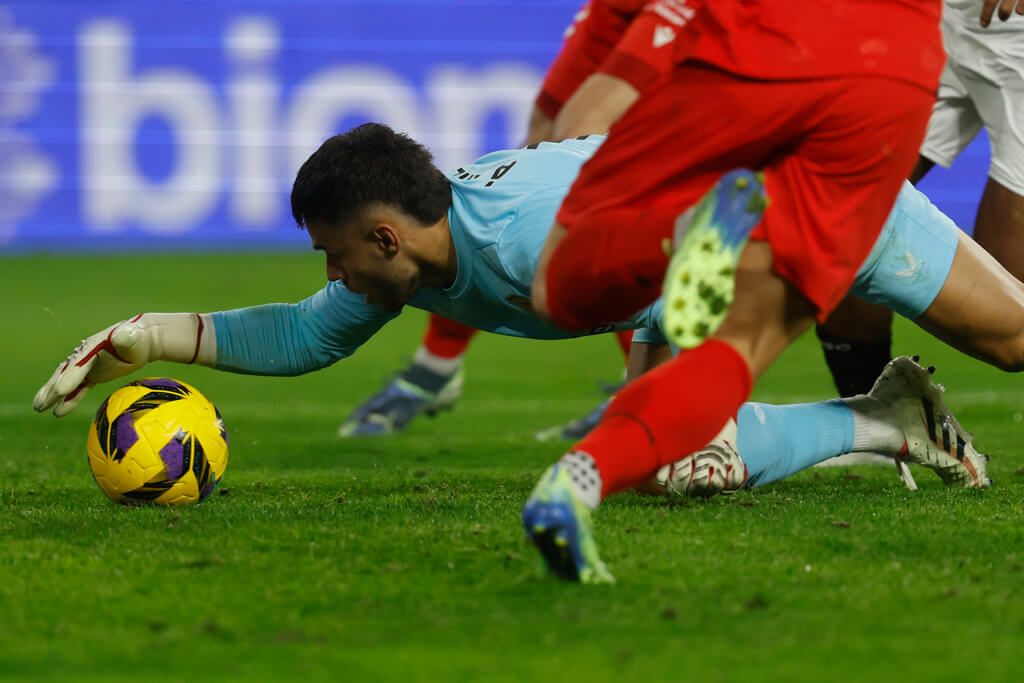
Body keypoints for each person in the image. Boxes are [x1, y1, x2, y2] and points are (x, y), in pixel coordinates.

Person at [33, 125, 998, 502]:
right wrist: (145, 337)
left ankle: (883, 420)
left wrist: (653, 402)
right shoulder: (417, 246)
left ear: (381, 238)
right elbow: (303, 334)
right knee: (668, 452)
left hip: (817, 202)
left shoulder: (531, 238)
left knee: (1015, 337)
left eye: (334, 254)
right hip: (738, 234)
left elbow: (691, 266)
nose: (332, 276)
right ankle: (892, 421)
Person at [524, 0, 1021, 583]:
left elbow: (576, 127)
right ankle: (578, 479)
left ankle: (686, 229)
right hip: (894, 63)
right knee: (744, 343)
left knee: (558, 291)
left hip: (763, 40)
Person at [340, 0, 697, 439]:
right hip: (613, 10)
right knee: (541, 146)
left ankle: (656, 381)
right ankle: (439, 365)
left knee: (582, 151)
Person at [816, 0, 1024, 398]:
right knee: (840, 212)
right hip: (931, 25)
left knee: (1011, 326)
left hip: (1014, 30)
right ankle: (874, 425)